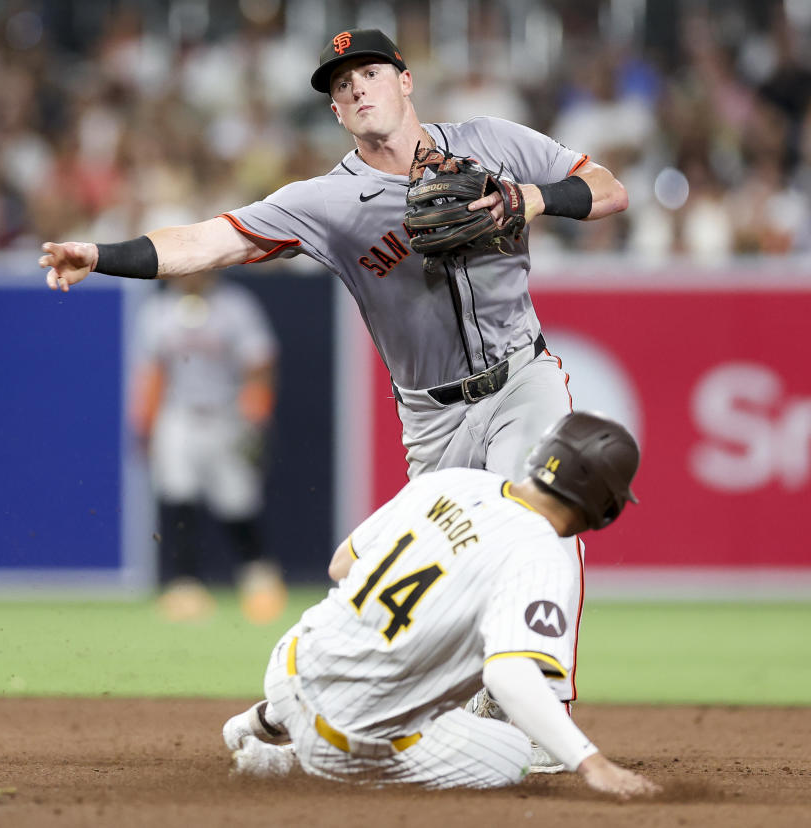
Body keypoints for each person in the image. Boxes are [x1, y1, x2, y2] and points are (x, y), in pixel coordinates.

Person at [38, 27, 627, 758]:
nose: (355, 88)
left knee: (537, 521)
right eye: (340, 86)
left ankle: (534, 707)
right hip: (432, 415)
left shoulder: (491, 141)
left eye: (369, 73)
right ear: (336, 114)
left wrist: (526, 200)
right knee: (421, 577)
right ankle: (336, 705)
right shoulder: (328, 201)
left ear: (405, 80)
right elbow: (208, 242)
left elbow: (609, 188)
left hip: (522, 376)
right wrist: (100, 255)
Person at [220, 411, 659, 796]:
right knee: (510, 755)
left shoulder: (454, 480)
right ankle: (291, 762)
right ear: (606, 506)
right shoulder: (541, 555)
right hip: (346, 732)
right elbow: (509, 675)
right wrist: (591, 763)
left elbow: (341, 566)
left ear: (542, 454)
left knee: (374, 630)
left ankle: (269, 718)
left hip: (289, 661)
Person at [130, 271, 287, 624]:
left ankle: (259, 580)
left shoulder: (236, 305)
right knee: (177, 497)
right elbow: (152, 371)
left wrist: (256, 416)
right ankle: (185, 586)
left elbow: (260, 363)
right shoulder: (158, 310)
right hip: (178, 414)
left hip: (227, 413)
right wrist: (146, 426)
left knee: (238, 502)